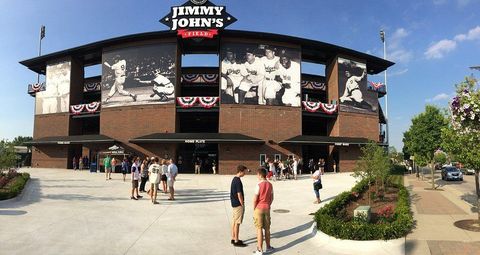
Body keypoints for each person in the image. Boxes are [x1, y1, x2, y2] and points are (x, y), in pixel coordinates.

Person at [252, 168, 274, 255]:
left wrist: (254, 209)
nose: (257, 176)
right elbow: (272, 198)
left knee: (259, 229)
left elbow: (255, 199)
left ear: (260, 175)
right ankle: (268, 247)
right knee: (267, 229)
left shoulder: (258, 185)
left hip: (259, 208)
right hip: (267, 208)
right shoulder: (270, 185)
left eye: (257, 175)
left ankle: (260, 249)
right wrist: (268, 204)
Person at [230, 165, 248, 247]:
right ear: (240, 172)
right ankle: (236, 241)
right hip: (238, 205)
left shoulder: (234, 179)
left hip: (234, 203)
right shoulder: (238, 181)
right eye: (244, 172)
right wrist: (242, 203)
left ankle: (233, 238)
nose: (245, 173)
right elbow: (239, 194)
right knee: (237, 223)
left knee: (234, 222)